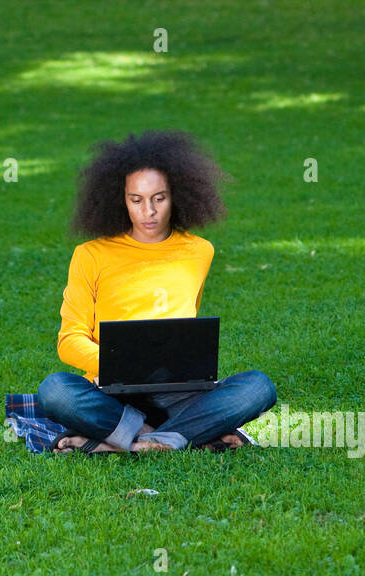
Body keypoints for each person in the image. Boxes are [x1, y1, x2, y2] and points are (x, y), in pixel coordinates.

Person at [36, 129, 277, 454]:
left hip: (177, 394)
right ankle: (177, 437)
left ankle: (128, 443)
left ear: (177, 195)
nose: (148, 211)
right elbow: (69, 341)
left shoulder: (199, 251)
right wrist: (121, 363)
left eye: (158, 198)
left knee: (258, 388)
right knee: (55, 391)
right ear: (119, 200)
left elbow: (181, 325)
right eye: (136, 200)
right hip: (111, 393)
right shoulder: (90, 255)